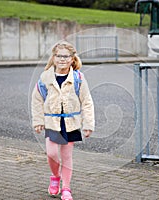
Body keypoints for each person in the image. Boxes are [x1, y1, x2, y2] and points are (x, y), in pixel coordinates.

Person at [31, 41, 95, 200]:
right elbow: (37, 100)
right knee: (51, 154)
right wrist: (38, 120)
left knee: (66, 157)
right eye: (59, 56)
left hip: (71, 123)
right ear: (53, 58)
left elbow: (87, 101)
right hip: (51, 122)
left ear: (72, 59)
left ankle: (66, 188)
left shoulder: (78, 78)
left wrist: (88, 124)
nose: (62, 59)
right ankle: (55, 177)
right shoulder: (45, 78)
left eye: (66, 56)